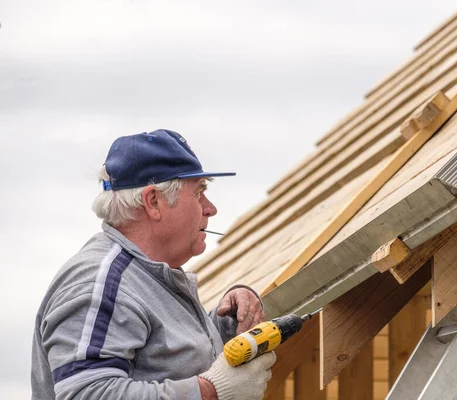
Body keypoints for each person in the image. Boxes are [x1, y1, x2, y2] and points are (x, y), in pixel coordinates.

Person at [31, 129, 275, 400]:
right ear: (153, 202)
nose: (210, 208)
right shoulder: (101, 285)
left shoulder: (145, 277)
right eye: (199, 193)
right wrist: (210, 392)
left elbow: (160, 360)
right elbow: (87, 394)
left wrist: (224, 324)